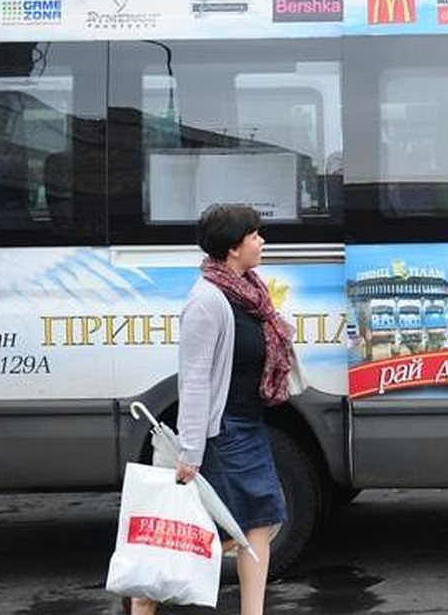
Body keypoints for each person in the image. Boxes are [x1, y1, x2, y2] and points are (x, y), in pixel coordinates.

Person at [130, 204, 293, 615]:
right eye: (254, 235)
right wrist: (191, 452)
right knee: (234, 522)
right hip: (225, 430)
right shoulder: (206, 301)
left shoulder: (250, 292)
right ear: (234, 247)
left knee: (255, 520)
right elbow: (195, 379)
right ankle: (146, 594)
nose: (262, 241)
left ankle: (242, 609)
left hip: (247, 424)